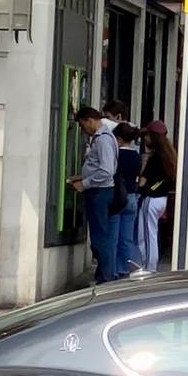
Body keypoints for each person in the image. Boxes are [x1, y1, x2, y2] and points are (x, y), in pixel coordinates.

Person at [68, 105, 123, 282]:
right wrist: (81, 176)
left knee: (100, 238)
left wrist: (84, 184)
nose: (84, 131)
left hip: (100, 192)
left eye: (84, 126)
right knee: (101, 237)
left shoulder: (103, 140)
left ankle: (105, 278)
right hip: (99, 190)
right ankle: (103, 275)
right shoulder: (104, 138)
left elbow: (106, 170)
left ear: (90, 121)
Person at [106, 100, 147, 275]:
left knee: (112, 237)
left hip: (117, 198)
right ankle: (126, 268)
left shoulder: (116, 155)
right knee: (127, 238)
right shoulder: (137, 157)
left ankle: (113, 270)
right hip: (132, 198)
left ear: (119, 139)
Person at [134, 124, 176, 272]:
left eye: (147, 135)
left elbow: (142, 182)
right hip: (161, 199)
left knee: (146, 235)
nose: (145, 139)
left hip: (150, 199)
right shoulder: (168, 156)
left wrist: (145, 159)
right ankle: (149, 266)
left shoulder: (154, 158)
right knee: (150, 233)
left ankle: (149, 267)